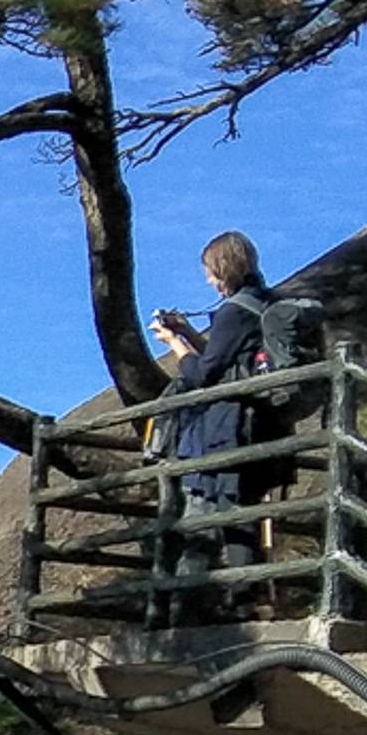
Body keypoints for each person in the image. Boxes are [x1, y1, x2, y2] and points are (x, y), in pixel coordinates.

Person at [144, 232, 299, 615]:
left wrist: (173, 344)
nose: (209, 282)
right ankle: (244, 599)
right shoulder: (267, 304)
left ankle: (203, 610)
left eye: (211, 274)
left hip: (231, 428)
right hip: (267, 423)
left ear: (222, 269)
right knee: (242, 510)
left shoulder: (233, 312)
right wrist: (192, 334)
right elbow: (229, 359)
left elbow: (204, 375)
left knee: (223, 514)